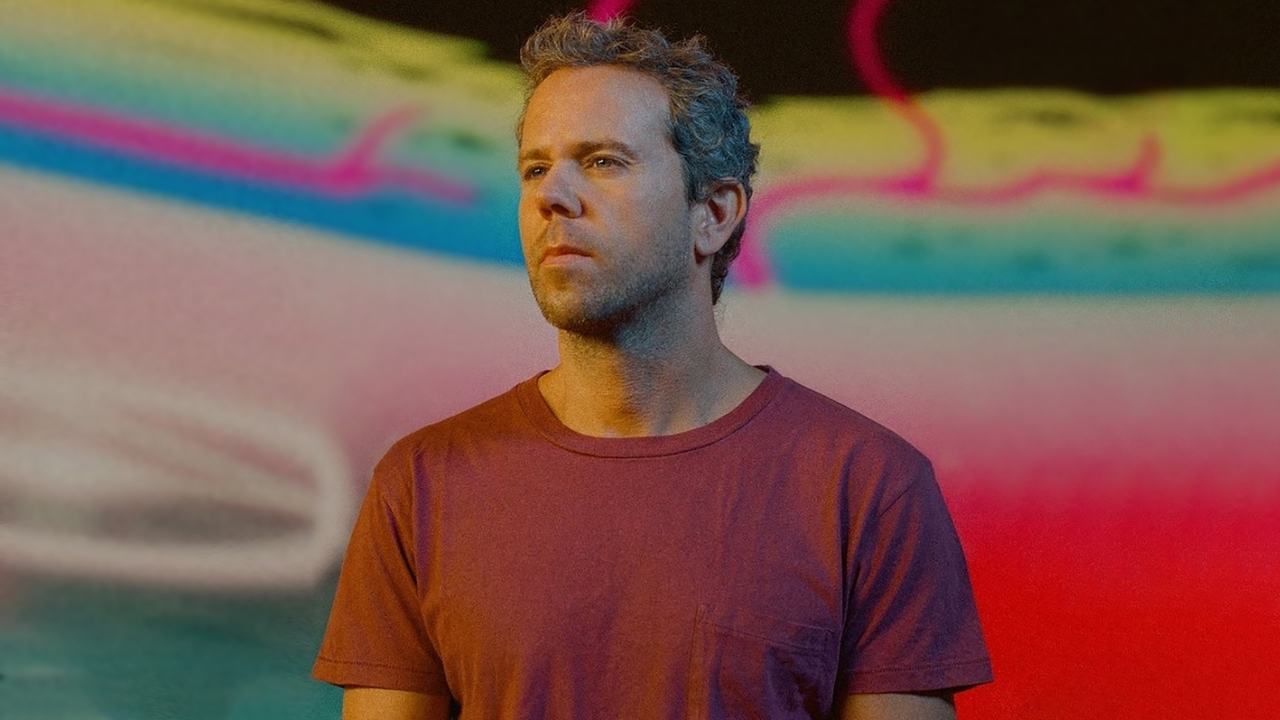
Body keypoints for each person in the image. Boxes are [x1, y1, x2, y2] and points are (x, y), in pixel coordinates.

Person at [313, 12, 992, 720]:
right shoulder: (423, 484)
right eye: (535, 168)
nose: (552, 196)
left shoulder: (869, 489)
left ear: (715, 213)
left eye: (603, 161)